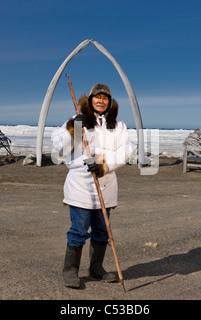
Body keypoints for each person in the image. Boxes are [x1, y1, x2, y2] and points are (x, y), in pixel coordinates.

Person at [52, 83, 132, 288]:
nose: (101, 101)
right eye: (97, 97)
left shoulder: (119, 125)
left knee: (102, 231)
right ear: (90, 100)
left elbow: (125, 152)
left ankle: (96, 269)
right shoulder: (77, 120)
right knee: (79, 230)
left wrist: (103, 164)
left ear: (109, 102)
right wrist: (74, 129)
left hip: (106, 184)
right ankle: (70, 270)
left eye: (105, 98)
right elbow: (60, 149)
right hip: (81, 185)